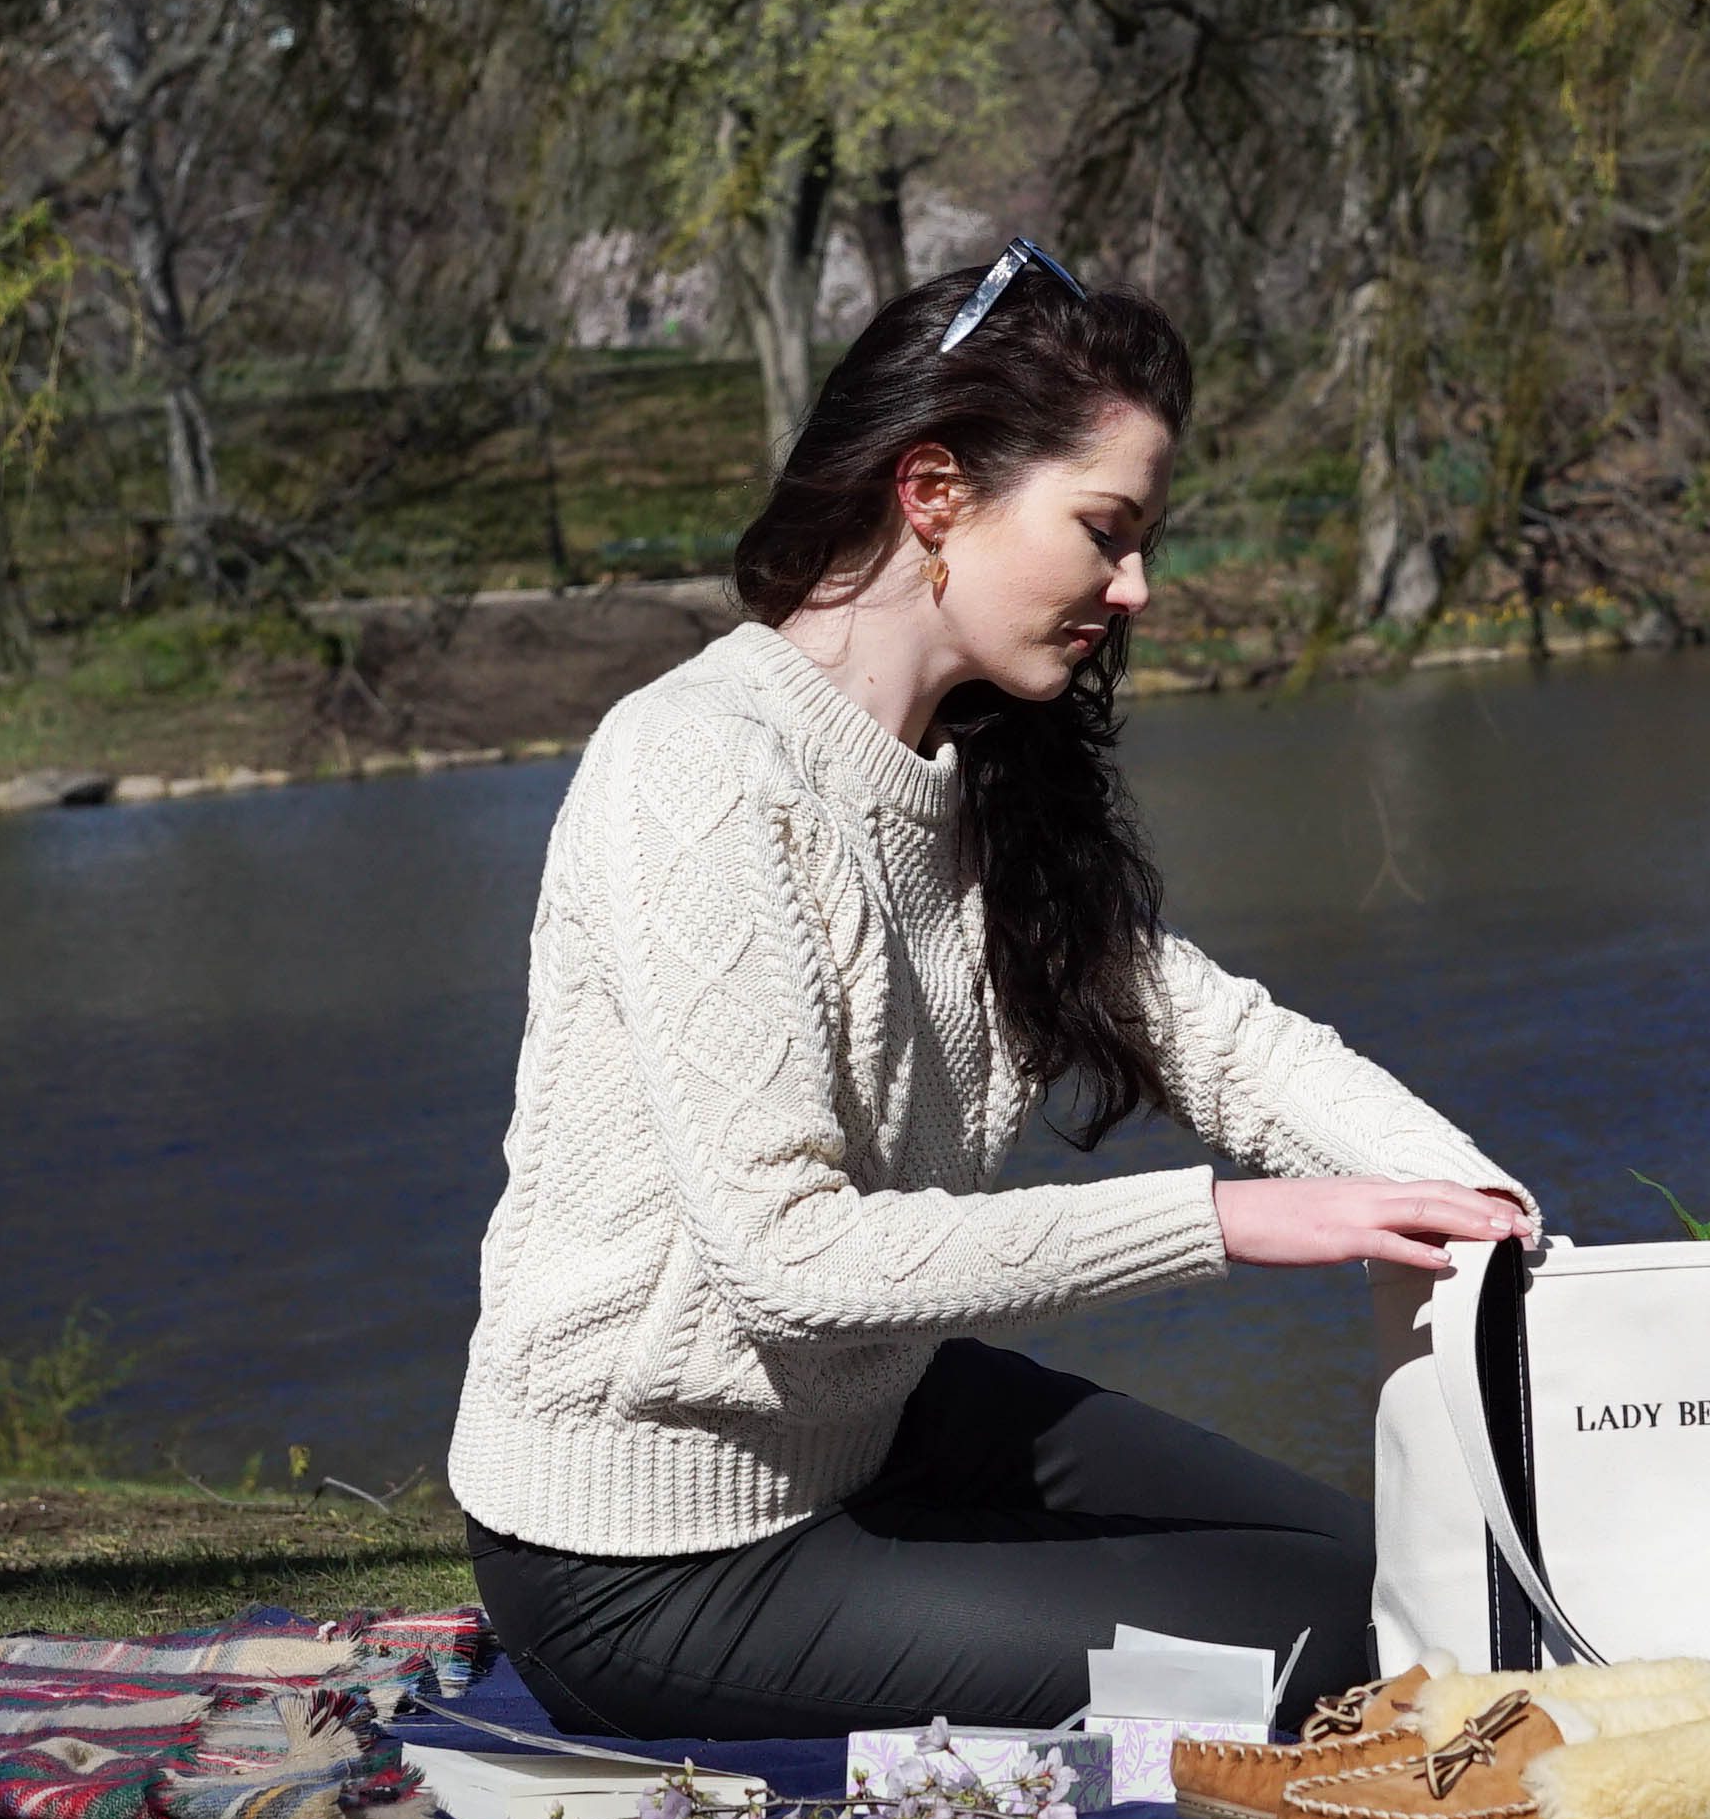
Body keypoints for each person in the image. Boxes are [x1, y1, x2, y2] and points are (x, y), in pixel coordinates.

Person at [447, 241, 1533, 1740]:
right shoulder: (693, 765)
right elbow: (790, 1259)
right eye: (1106, 531)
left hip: (874, 1431)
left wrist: (1490, 1217)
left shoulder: (980, 779)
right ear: (935, 494)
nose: (1135, 586)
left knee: (1412, 1581)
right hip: (648, 1555)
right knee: (1335, 1659)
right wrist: (1231, 1221)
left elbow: (1217, 1037)